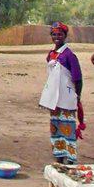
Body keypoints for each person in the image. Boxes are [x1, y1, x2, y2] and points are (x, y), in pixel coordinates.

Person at [39, 22, 82, 164]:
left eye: (60, 34)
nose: (57, 37)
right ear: (51, 36)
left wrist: (78, 97)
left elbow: (77, 78)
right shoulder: (51, 54)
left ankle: (69, 161)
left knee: (68, 129)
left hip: (67, 99)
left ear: (65, 36)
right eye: (54, 34)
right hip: (54, 99)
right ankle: (58, 159)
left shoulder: (69, 55)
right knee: (56, 127)